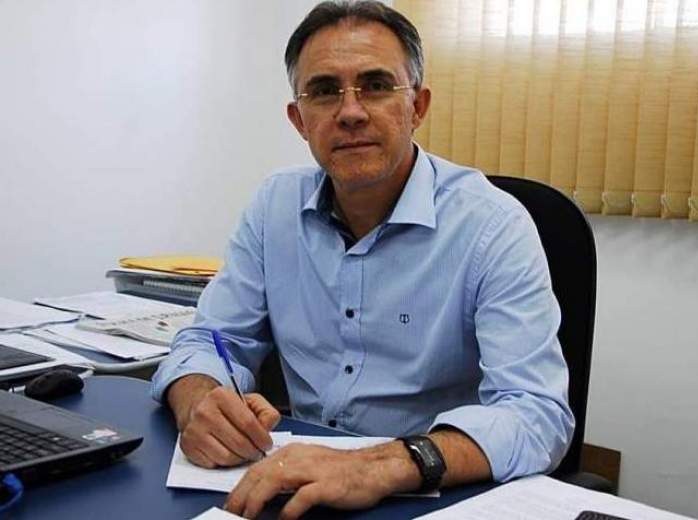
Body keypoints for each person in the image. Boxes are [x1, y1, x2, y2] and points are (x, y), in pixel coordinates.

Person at [151, 1, 575, 518]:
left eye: (375, 85)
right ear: (299, 120)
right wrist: (199, 399)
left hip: (430, 494)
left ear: (417, 107)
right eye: (324, 91)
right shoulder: (273, 208)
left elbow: (536, 415)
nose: (350, 112)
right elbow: (209, 340)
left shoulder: (492, 225)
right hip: (296, 484)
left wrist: (381, 465)